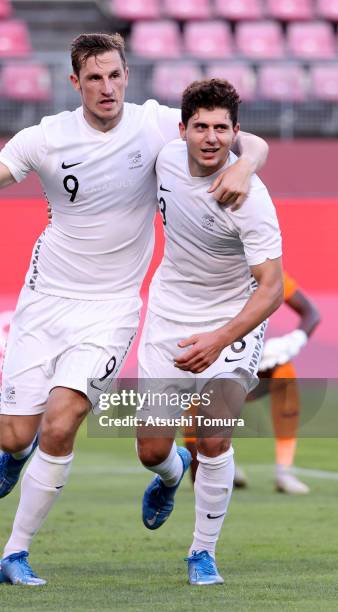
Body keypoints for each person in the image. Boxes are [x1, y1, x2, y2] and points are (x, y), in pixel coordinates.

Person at [0, 34, 268, 586]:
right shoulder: (46, 138)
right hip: (44, 301)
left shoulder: (155, 124)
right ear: (74, 83)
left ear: (127, 75)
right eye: (94, 79)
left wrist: (245, 165)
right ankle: (25, 453)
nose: (106, 88)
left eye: (115, 76)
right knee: (14, 435)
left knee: (63, 423)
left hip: (111, 311)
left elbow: (246, 140)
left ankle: (14, 554)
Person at [136, 79, 283, 585]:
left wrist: (219, 339)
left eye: (222, 128)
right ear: (182, 130)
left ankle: (203, 552)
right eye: (201, 126)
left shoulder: (251, 199)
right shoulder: (165, 154)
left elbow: (272, 290)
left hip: (234, 322)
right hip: (169, 315)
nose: (211, 137)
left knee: (214, 437)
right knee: (152, 450)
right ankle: (171, 471)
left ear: (234, 132)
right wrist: (253, 153)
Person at [184, 271, 321, 494]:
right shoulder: (206, 274)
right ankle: (222, 456)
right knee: (199, 473)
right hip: (208, 365)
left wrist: (293, 341)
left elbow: (311, 313)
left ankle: (284, 470)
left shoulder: (264, 272)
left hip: (250, 364)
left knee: (284, 372)